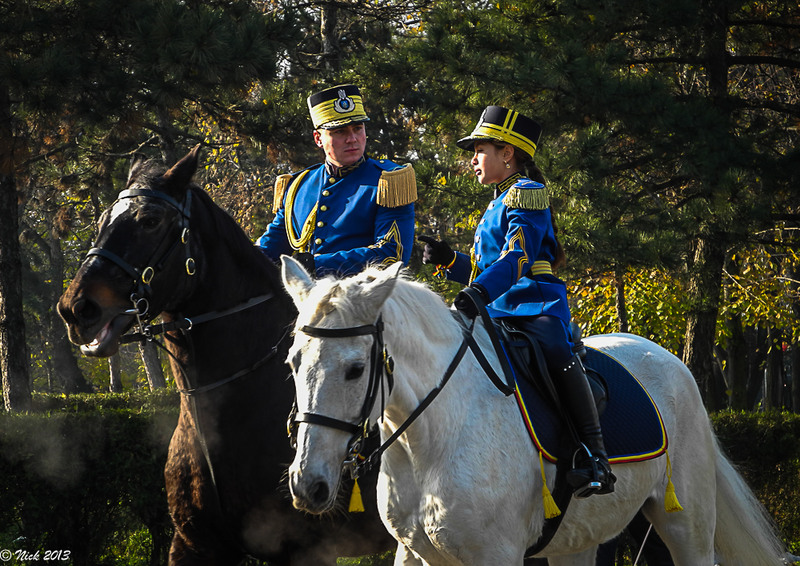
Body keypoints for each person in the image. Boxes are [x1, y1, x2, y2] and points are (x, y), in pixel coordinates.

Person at [420, 105, 615, 497]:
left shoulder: (526, 193)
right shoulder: (497, 202)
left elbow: (518, 258)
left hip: (534, 305)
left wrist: (479, 292)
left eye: (480, 150)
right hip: (497, 308)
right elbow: (486, 269)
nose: (472, 159)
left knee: (555, 348)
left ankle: (594, 455)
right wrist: (450, 261)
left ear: (507, 153)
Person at [257, 84, 417, 276]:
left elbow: (392, 255)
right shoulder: (297, 186)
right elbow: (268, 250)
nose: (352, 139)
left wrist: (317, 265)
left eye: (358, 128)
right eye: (340, 131)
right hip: (304, 292)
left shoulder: (388, 182)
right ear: (318, 138)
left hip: (364, 292)